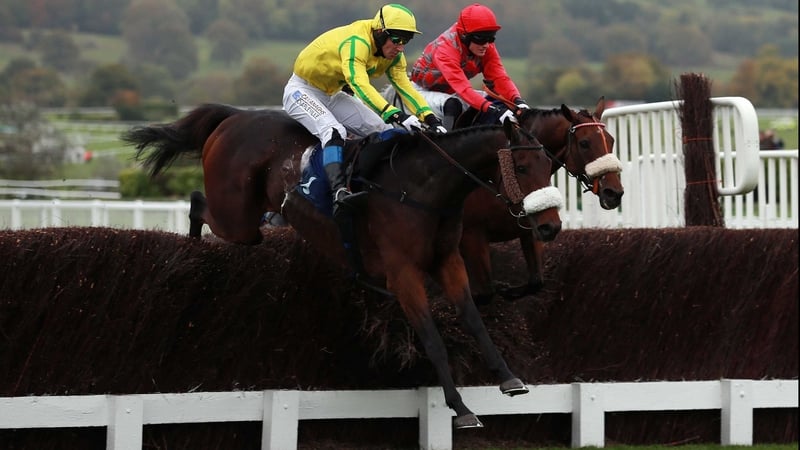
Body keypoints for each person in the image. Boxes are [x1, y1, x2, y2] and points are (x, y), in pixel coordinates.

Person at [282, 3, 446, 218]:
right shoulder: (356, 43)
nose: (401, 47)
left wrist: (430, 118)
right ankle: (338, 192)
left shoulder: (395, 55)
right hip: (301, 90)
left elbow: (405, 87)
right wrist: (395, 113)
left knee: (382, 129)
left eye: (406, 40)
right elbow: (359, 84)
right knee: (334, 131)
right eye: (397, 39)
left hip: (333, 94)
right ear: (380, 32)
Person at [409, 3, 530, 130]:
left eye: (490, 38)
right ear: (464, 35)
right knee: (453, 105)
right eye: (481, 39)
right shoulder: (445, 50)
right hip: (421, 91)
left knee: (499, 103)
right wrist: (494, 111)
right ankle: (445, 143)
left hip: (451, 91)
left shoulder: (485, 46)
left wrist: (518, 101)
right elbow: (464, 89)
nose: (486, 45)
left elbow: (499, 78)